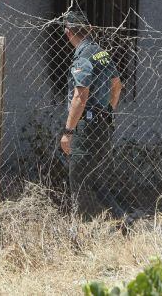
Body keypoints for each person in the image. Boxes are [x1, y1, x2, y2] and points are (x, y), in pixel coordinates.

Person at [60, 12, 124, 218]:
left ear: (68, 32)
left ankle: (83, 230)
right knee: (94, 179)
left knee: (78, 180)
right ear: (89, 29)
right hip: (102, 125)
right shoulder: (101, 53)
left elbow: (80, 96)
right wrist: (108, 112)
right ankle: (121, 219)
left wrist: (68, 131)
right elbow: (117, 86)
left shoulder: (83, 57)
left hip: (86, 129)